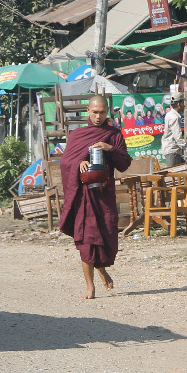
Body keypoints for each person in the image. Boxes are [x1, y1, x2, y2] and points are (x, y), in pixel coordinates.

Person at [58, 95, 132, 299]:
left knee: (105, 234)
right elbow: (66, 163)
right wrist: (78, 164)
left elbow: (124, 163)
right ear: (88, 111)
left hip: (104, 194)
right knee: (87, 239)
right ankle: (90, 286)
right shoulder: (78, 135)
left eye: (102, 112)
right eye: (95, 112)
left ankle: (102, 269)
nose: (98, 116)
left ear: (107, 112)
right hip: (85, 195)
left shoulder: (114, 135)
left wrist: (110, 148)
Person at [162, 92, 187, 166]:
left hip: (171, 149)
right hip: (172, 150)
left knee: (183, 170)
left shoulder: (170, 114)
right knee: (175, 175)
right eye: (183, 103)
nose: (184, 105)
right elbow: (177, 136)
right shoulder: (174, 117)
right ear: (178, 104)